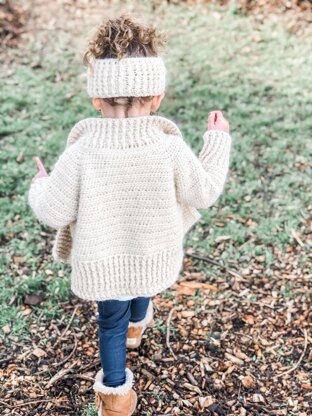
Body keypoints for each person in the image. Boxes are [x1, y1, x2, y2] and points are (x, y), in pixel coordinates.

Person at [29, 14, 232, 416]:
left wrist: (40, 182)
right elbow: (203, 192)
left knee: (110, 325)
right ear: (156, 97)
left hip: (103, 264)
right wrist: (217, 141)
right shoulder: (167, 147)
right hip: (152, 251)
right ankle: (139, 326)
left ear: (96, 98)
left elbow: (53, 211)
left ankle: (116, 396)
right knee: (141, 287)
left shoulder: (82, 151)